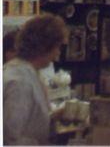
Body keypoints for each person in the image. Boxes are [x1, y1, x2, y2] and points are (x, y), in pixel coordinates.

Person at [3, 14, 67, 145]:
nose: (58, 53)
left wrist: (53, 118)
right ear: (45, 47)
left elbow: (27, 121)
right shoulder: (20, 82)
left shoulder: (26, 71)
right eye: (57, 47)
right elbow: (10, 137)